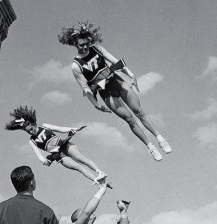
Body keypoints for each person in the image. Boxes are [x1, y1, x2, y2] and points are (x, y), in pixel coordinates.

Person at [58, 21, 172, 162]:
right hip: (106, 92)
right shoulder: (76, 66)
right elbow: (85, 88)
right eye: (81, 45)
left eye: (86, 43)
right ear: (75, 44)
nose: (85, 46)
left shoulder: (97, 49)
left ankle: (160, 139)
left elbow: (115, 61)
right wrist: (95, 104)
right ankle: (151, 147)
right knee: (130, 119)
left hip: (117, 81)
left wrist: (131, 74)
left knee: (139, 111)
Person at [5, 106, 110, 186]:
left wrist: (75, 129)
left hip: (64, 144)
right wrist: (44, 161)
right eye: (27, 131)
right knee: (78, 167)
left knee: (82, 159)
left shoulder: (44, 126)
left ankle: (100, 172)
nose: (30, 132)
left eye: (31, 129)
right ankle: (97, 181)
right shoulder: (32, 141)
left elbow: (61, 129)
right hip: (58, 155)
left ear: (34, 124)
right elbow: (38, 155)